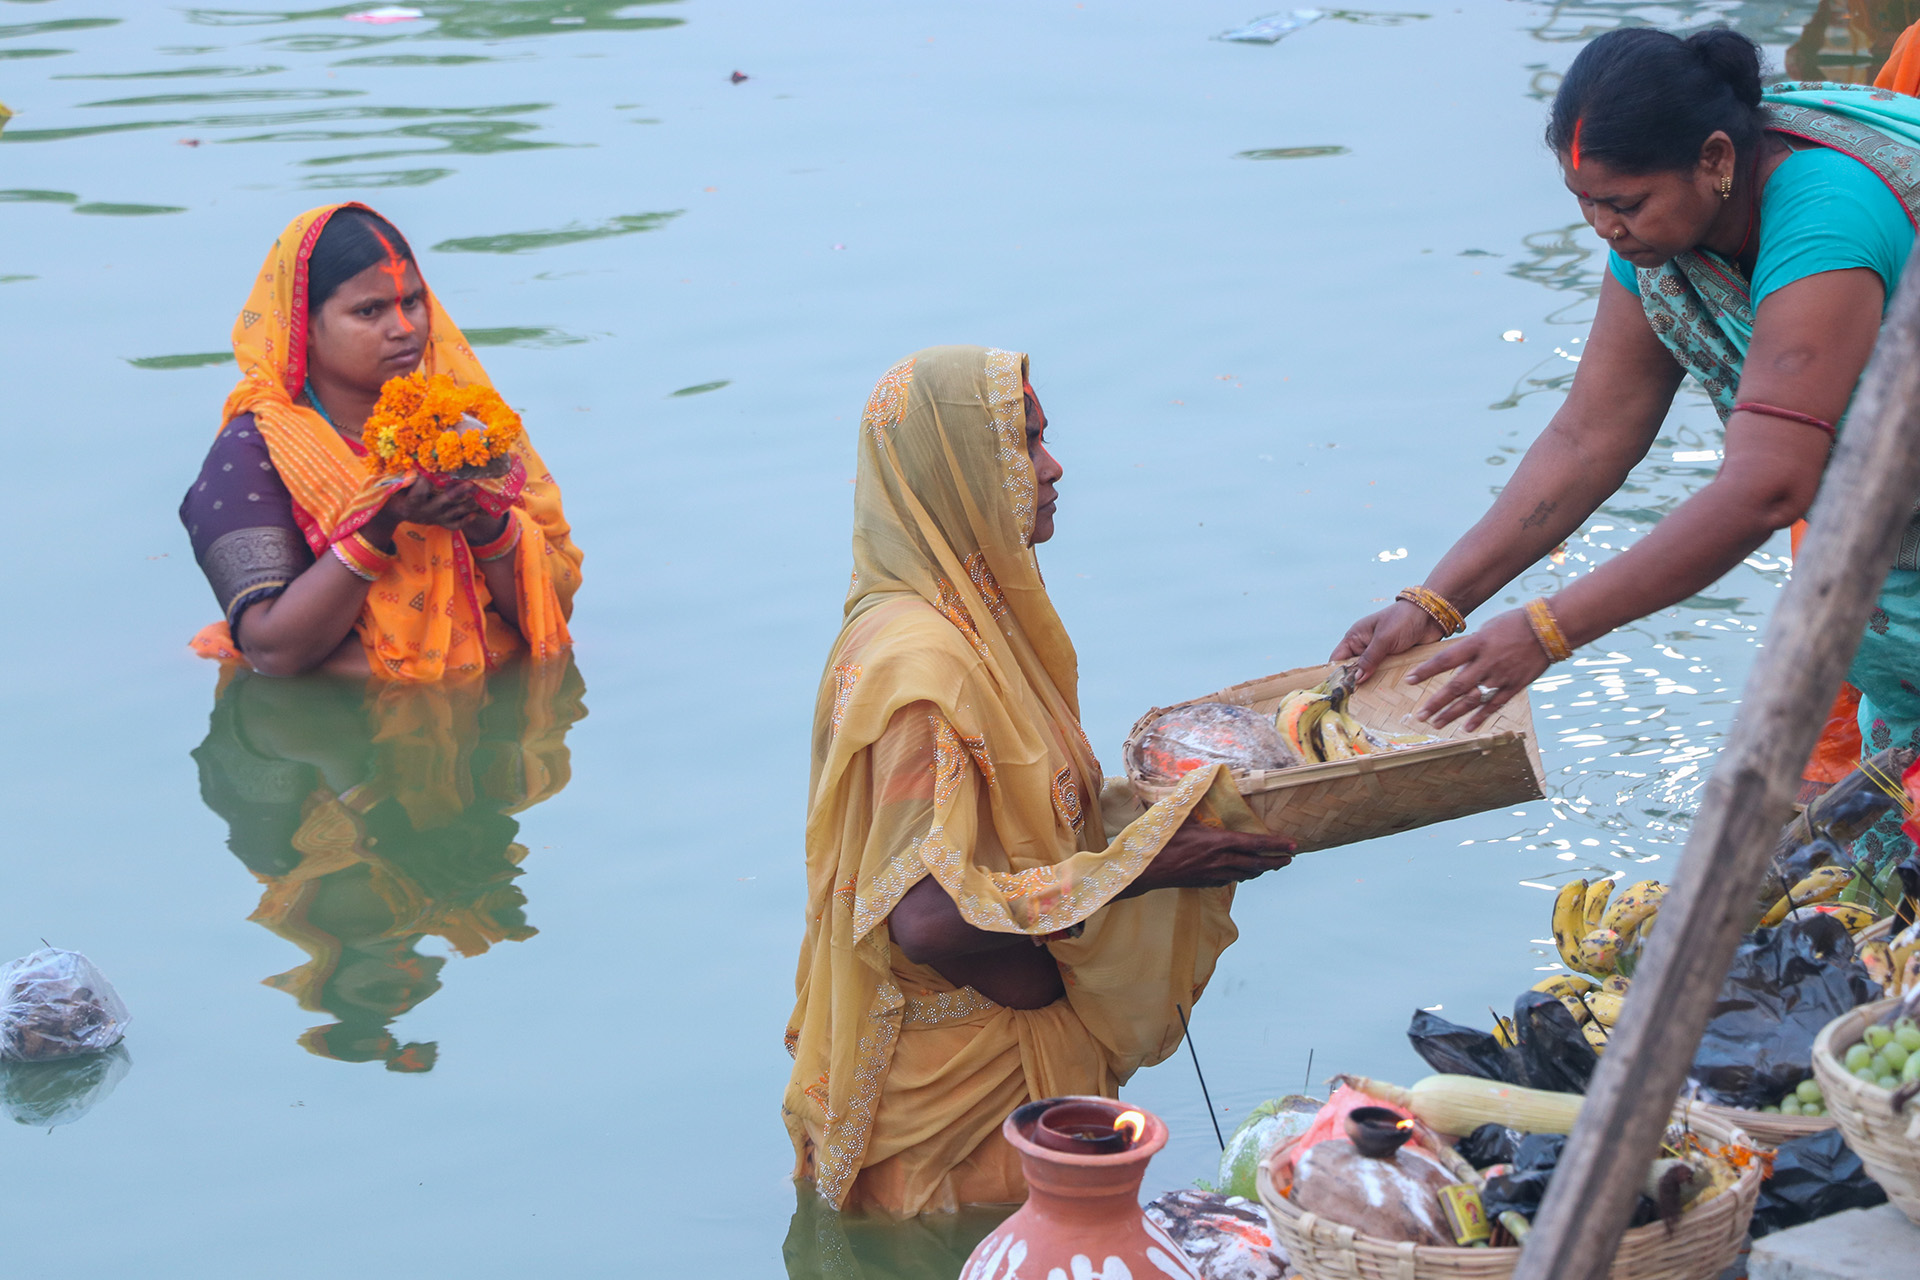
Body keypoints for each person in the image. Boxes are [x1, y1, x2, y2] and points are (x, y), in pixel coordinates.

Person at [1333, 27, 1920, 888]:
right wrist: (1434, 602)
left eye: (1628, 203)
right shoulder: (1665, 237)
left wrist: (1548, 631)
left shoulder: (1825, 217)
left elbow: (1768, 485)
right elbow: (1590, 434)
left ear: (1716, 159)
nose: (1607, 228)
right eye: (1587, 203)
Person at [782, 345, 1296, 1220]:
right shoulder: (921, 665)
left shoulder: (958, 624)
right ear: (954, 469)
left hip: (1006, 1055)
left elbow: (1013, 827)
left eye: (1043, 439)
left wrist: (1162, 815)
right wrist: (1145, 868)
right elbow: (923, 917)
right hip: (963, 1118)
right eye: (1022, 443)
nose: (1052, 468)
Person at [181, 203, 582, 680]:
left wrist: (481, 517)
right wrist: (379, 524)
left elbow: (554, 613)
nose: (404, 329)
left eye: (411, 302)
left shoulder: (461, 427)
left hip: (498, 695)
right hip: (338, 718)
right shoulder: (257, 448)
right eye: (369, 311)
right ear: (302, 326)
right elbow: (271, 652)